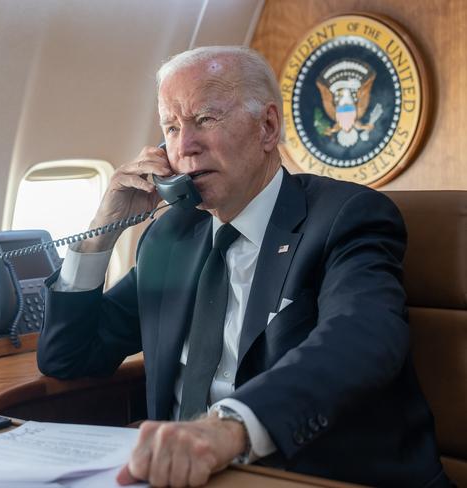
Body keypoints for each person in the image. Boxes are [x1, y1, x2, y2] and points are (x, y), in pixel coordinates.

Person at [37, 46, 449, 487]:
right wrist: (103, 230)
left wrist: (226, 428)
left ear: (267, 127)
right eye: (172, 128)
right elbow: (68, 357)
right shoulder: (170, 238)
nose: (185, 146)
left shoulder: (345, 217)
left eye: (205, 120)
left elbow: (362, 339)